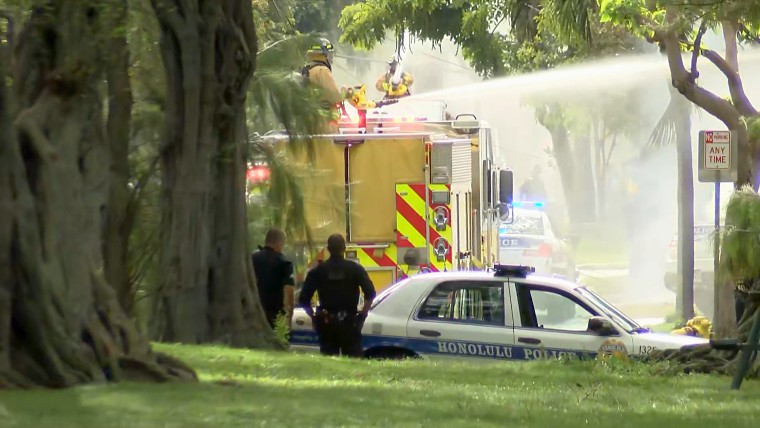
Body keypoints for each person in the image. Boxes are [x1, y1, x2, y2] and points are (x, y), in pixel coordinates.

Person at [298, 234, 376, 357]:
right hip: (349, 322)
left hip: (326, 322)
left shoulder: (318, 271)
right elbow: (370, 294)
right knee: (353, 361)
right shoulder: (355, 269)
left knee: (328, 362)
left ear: (328, 249)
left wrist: (313, 316)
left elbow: (303, 299)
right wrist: (362, 315)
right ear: (344, 248)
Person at [252, 228, 296, 329]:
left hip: (253, 314)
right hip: (275, 315)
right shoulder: (285, 263)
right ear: (280, 244)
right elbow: (289, 292)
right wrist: (288, 319)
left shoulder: (251, 259)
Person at [301, 38, 343, 131]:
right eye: (329, 54)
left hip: (310, 123)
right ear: (323, 54)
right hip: (324, 125)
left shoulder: (307, 70)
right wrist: (346, 93)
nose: (331, 58)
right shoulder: (322, 70)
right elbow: (335, 96)